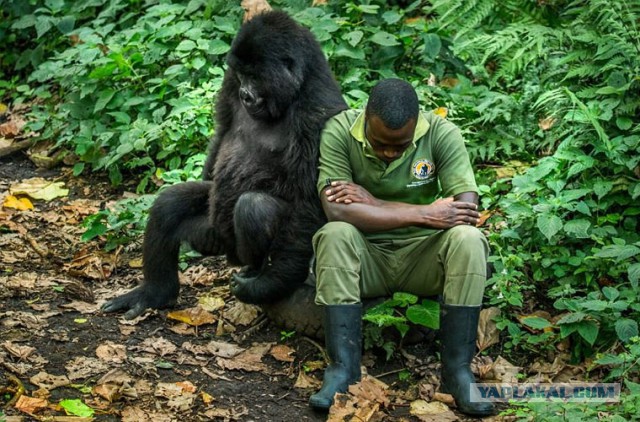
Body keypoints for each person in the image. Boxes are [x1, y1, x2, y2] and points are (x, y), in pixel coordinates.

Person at [308, 78, 495, 416]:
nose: (390, 153)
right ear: (366, 120)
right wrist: (426, 212)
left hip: (424, 259)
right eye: (381, 145)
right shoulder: (340, 131)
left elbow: (465, 212)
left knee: (469, 240)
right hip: (365, 258)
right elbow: (336, 209)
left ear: (417, 125)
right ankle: (342, 370)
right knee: (335, 232)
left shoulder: (441, 133)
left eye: (401, 146)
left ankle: (457, 373)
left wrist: (373, 204)